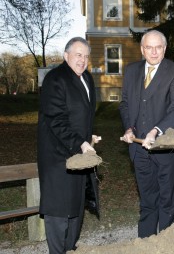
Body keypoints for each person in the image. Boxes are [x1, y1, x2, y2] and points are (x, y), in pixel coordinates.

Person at [119, 30, 174, 238]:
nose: (154, 51)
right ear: (142, 49)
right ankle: (146, 243)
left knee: (168, 201)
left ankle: (169, 245)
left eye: (158, 47)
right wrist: (129, 127)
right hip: (139, 149)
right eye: (149, 47)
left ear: (165, 49)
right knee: (148, 200)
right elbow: (124, 103)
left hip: (166, 147)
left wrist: (156, 130)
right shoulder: (131, 71)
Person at [37, 37, 100, 253]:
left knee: (75, 210)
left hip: (79, 156)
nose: (82, 60)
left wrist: (89, 137)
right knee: (58, 213)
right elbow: (56, 119)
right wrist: (80, 143)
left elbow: (81, 115)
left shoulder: (87, 79)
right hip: (58, 158)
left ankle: (70, 249)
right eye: (78, 55)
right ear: (66, 56)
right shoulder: (55, 79)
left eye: (86, 56)